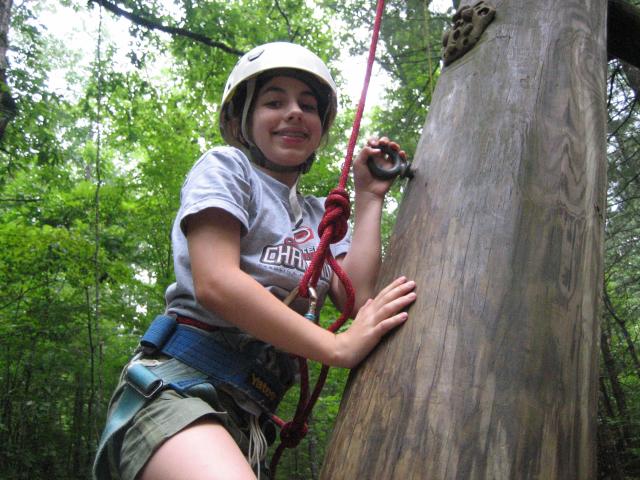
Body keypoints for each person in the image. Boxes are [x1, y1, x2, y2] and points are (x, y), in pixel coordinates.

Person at [93, 41, 416, 480]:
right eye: (273, 101)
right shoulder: (228, 169)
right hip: (177, 390)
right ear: (240, 121)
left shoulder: (321, 215)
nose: (295, 112)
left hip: (248, 423)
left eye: (308, 105)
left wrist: (369, 195)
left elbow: (355, 301)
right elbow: (217, 282)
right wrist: (336, 347)